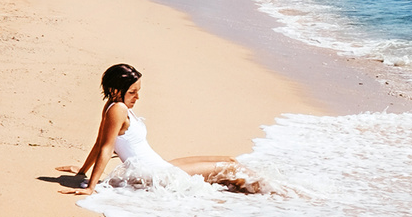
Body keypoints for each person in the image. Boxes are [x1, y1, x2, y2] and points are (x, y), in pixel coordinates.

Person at [57, 63, 262, 194]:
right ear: (114, 90)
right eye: (132, 92)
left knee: (229, 160)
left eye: (138, 91)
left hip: (160, 167)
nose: (137, 97)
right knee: (233, 169)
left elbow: (99, 142)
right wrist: (91, 186)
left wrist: (82, 171)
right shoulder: (117, 109)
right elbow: (105, 147)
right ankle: (279, 194)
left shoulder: (113, 105)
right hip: (157, 175)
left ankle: (269, 192)